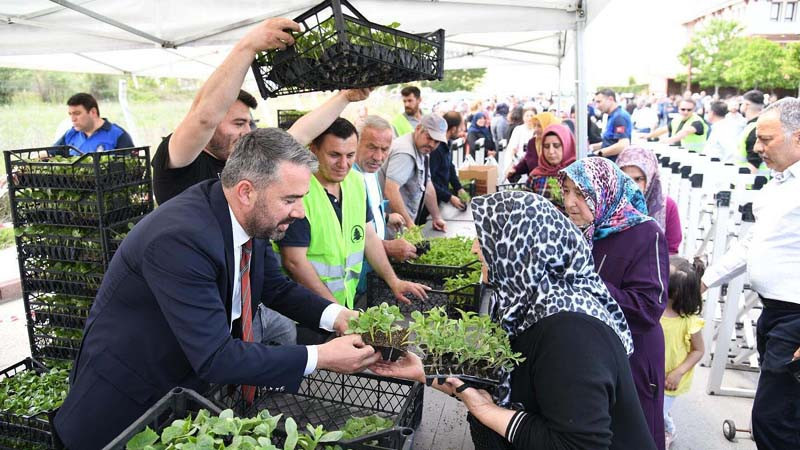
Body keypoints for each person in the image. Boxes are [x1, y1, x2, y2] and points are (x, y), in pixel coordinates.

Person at [53, 128, 379, 449]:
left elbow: (275, 288)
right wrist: (319, 356)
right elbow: (215, 357)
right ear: (246, 191)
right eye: (290, 199)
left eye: (302, 198)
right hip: (128, 407)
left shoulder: (250, 218)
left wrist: (338, 317)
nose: (300, 212)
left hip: (182, 393)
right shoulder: (179, 239)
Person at [372, 191, 655, 450]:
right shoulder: (537, 305)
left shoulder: (571, 334)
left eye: (485, 238)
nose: (474, 249)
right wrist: (426, 369)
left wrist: (488, 412)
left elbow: (578, 445)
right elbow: (505, 370)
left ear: (522, 250)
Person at [151, 17, 370, 204]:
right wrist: (247, 47)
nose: (247, 131)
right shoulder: (181, 157)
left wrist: (345, 97)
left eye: (249, 123)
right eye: (238, 123)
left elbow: (298, 135)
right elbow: (203, 117)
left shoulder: (244, 159)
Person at [701, 97, 800, 450]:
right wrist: (705, 279)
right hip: (774, 312)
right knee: (781, 415)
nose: (757, 147)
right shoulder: (779, 183)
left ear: (798, 138)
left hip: (795, 318)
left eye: (767, 139)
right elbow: (752, 244)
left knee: (773, 419)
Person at [560, 157, 669, 450]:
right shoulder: (580, 231)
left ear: (604, 191)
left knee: (634, 435)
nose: (570, 202)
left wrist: (588, 282)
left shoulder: (644, 233)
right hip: (593, 355)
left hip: (633, 359)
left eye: (581, 194)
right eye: (566, 191)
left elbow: (649, 307)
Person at [275, 118, 428, 312]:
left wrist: (393, 281)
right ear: (313, 149)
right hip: (307, 312)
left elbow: (368, 236)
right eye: (334, 155)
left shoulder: (355, 182)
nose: (343, 164)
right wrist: (336, 312)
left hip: (344, 303)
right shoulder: (299, 192)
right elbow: (294, 261)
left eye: (350, 155)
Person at [352, 115, 418, 296]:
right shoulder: (348, 178)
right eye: (371, 147)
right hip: (352, 282)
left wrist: (387, 217)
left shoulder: (370, 172)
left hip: (371, 272)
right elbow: (345, 234)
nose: (378, 157)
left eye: (384, 149)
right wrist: (387, 247)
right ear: (355, 143)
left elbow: (367, 211)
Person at [662, 256, 705, 449]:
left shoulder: (688, 320)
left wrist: (678, 372)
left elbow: (698, 350)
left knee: (658, 411)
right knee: (650, 408)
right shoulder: (653, 307)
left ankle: (667, 428)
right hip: (650, 374)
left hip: (671, 377)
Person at [379, 113, 448, 233]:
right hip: (390, 227)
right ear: (418, 129)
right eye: (429, 137)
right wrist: (410, 225)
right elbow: (391, 190)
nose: (432, 144)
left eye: (436, 141)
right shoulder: (405, 153)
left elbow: (427, 185)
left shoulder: (423, 149)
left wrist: (436, 217)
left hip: (402, 224)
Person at [616, 146, 682, 254]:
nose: (631, 185)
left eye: (638, 179)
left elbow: (671, 249)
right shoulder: (609, 205)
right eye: (625, 178)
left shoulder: (667, 206)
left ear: (650, 178)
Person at [54, 92, 133, 154]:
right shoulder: (70, 134)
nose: (72, 119)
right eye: (70, 114)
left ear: (93, 112)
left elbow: (132, 168)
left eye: (77, 113)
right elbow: (49, 153)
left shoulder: (118, 135)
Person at [526, 124, 576, 211]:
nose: (551, 152)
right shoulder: (535, 176)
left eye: (556, 146)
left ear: (567, 146)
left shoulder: (576, 175)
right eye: (546, 146)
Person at [504, 112, 561, 183]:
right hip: (536, 186)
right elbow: (526, 161)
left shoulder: (558, 144)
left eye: (539, 126)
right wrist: (515, 169)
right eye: (535, 126)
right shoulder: (532, 143)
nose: (536, 129)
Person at [430, 111, 469, 210]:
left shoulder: (446, 145)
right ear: (453, 129)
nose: (461, 132)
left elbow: (450, 168)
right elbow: (429, 181)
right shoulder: (436, 148)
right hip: (432, 202)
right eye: (460, 128)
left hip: (441, 199)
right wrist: (449, 197)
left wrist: (459, 188)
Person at [590, 89, 632, 161]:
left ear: (610, 99)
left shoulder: (619, 117)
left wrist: (599, 154)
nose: (597, 106)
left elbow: (623, 144)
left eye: (599, 102)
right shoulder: (612, 116)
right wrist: (593, 147)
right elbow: (610, 142)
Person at [736, 89, 766, 172]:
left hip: (749, 182)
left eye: (741, 103)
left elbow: (753, 164)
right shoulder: (754, 125)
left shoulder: (756, 128)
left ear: (746, 105)